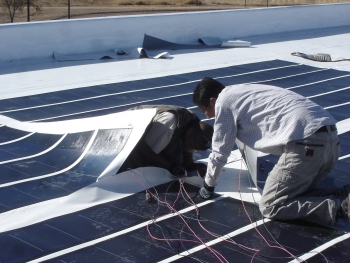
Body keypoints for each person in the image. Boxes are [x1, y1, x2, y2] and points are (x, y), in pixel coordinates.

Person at [192, 77, 350, 226]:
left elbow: (220, 150)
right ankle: (344, 194)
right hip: (331, 141)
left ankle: (340, 208)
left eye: (203, 110)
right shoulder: (244, 91)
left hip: (307, 144)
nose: (205, 115)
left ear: (212, 101)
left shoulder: (223, 102)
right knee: (297, 194)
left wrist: (208, 186)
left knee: (270, 205)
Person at [118, 105, 213, 177]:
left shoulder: (193, 127)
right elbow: (144, 150)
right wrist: (168, 166)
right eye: (191, 145)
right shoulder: (169, 122)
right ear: (190, 131)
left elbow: (187, 154)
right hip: (124, 136)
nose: (190, 148)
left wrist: (191, 165)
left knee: (178, 165)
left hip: (154, 142)